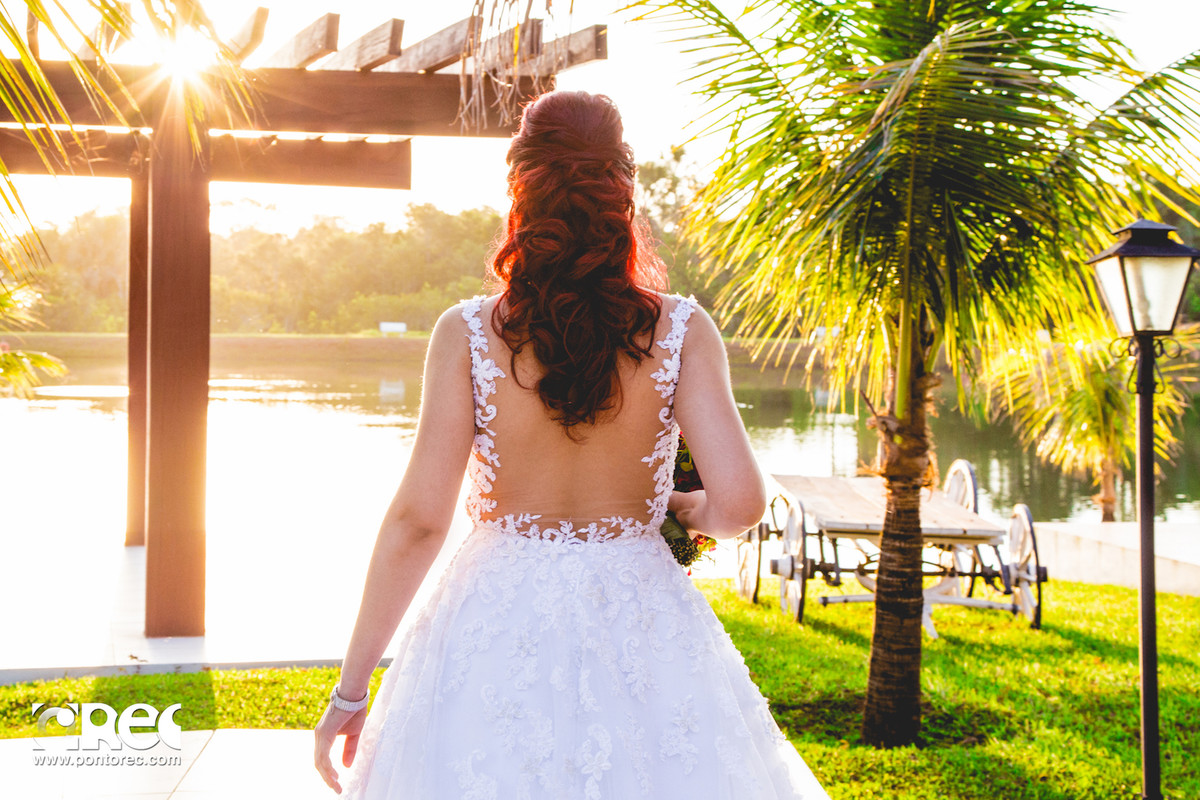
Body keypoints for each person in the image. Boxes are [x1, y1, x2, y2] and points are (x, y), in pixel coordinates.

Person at [313, 90, 829, 799]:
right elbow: (742, 502)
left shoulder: (465, 333)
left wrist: (350, 691)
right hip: (642, 608)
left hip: (492, 614)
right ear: (623, 191)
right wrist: (689, 511)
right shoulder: (680, 330)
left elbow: (418, 523)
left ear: (520, 189)